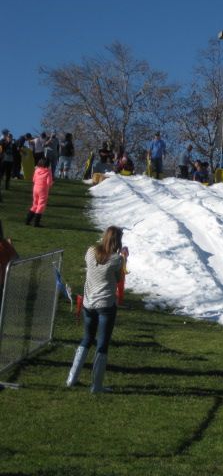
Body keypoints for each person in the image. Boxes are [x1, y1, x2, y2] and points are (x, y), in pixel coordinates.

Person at [66, 226, 128, 393]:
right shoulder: (117, 260)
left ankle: (72, 378)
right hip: (106, 305)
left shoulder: (90, 251)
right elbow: (119, 279)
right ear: (118, 241)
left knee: (87, 339)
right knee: (102, 343)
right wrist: (124, 258)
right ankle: (97, 385)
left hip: (88, 303)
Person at [26, 157, 54, 227]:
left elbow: (33, 179)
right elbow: (49, 183)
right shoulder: (48, 171)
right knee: (41, 205)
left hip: (35, 188)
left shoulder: (36, 170)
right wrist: (52, 183)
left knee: (35, 204)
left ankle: (28, 220)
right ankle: (36, 223)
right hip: (43, 190)